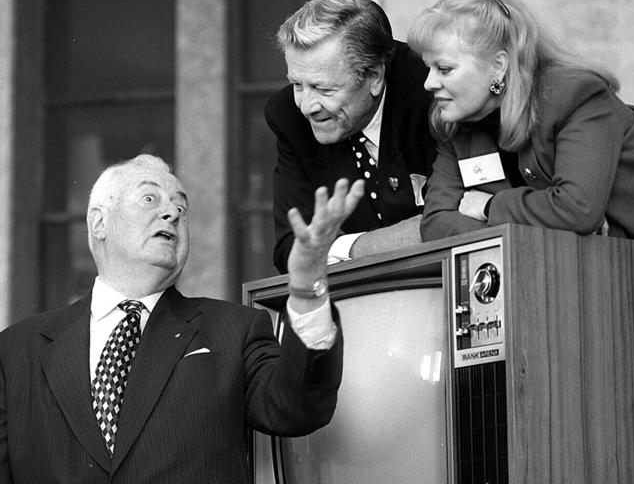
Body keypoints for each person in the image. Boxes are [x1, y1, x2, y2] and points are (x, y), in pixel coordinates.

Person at [0, 154, 364, 483]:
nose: (172, 213)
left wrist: (306, 290)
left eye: (181, 207)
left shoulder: (233, 331)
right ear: (99, 222)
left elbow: (295, 409)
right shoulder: (16, 350)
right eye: (150, 198)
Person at [407, 0, 634, 241]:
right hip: (563, 265)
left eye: (444, 69)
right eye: (428, 67)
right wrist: (546, 227)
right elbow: (436, 225)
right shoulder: (453, 122)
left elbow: (576, 208)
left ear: (498, 65)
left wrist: (489, 207)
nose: (429, 83)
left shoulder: (576, 95)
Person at [266, 0, 437, 273]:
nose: (307, 107)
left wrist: (345, 248)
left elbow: (448, 222)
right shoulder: (287, 116)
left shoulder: (432, 92)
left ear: (374, 77)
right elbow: (291, 249)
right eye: (297, 85)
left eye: (324, 89)